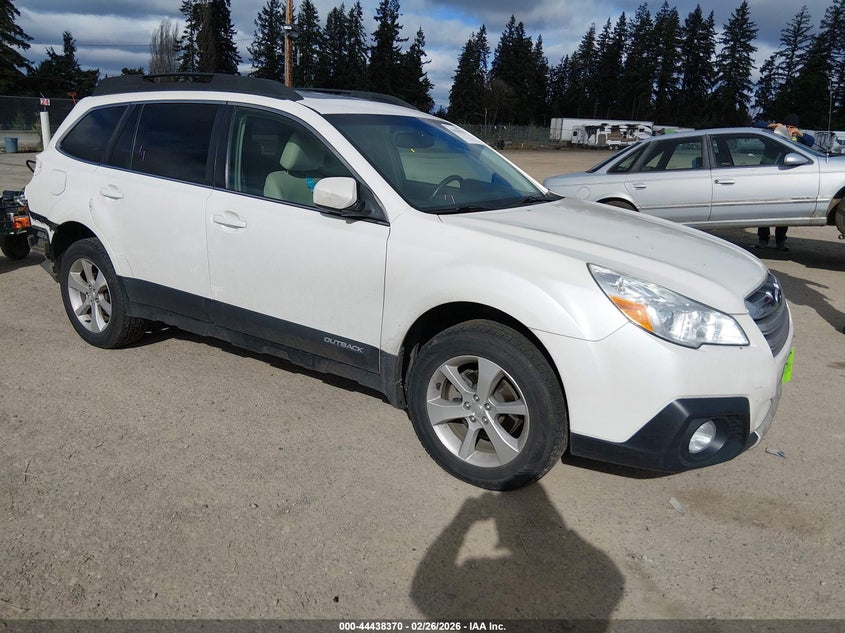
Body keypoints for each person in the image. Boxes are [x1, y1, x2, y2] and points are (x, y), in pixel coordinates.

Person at [753, 113, 815, 251]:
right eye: (787, 126)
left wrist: (800, 134)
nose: (788, 129)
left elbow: (811, 142)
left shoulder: (797, 138)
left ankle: (780, 241)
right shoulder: (772, 134)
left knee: (783, 211)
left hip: (787, 179)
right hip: (767, 176)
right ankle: (763, 239)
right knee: (765, 210)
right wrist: (773, 126)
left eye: (792, 127)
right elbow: (755, 125)